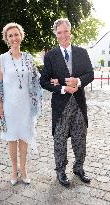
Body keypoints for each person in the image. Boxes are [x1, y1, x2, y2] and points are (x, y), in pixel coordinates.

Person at [40, 18, 94, 187]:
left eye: (66, 31)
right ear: (56, 35)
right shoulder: (50, 56)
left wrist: (77, 81)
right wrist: (63, 88)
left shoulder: (82, 52)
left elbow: (90, 74)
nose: (63, 35)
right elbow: (44, 81)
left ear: (70, 32)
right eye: (59, 32)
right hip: (60, 106)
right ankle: (61, 171)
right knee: (60, 140)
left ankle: (79, 168)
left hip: (79, 104)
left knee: (80, 138)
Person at [0, 22, 42, 186]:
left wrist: (50, 80)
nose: (14, 38)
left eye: (16, 34)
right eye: (10, 35)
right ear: (7, 39)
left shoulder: (28, 58)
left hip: (26, 106)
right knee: (12, 138)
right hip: (10, 106)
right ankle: (14, 170)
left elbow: (36, 79)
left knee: (24, 137)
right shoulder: (1, 59)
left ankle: (24, 169)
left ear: (21, 36)